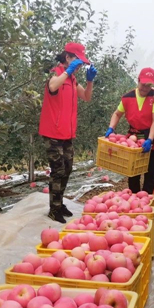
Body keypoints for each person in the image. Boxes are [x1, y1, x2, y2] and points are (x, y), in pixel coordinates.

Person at [39, 42, 98, 223]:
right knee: (58, 170)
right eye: (78, 61)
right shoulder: (56, 74)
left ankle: (59, 203)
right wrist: (68, 71)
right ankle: (54, 208)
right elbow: (52, 87)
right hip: (53, 132)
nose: (80, 66)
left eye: (82, 63)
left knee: (67, 169)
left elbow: (86, 97)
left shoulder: (72, 80)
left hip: (67, 133)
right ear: (68, 58)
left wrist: (89, 81)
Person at [104, 67, 154, 194]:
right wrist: (111, 128)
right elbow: (117, 114)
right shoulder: (128, 97)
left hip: (152, 138)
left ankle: (146, 200)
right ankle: (132, 197)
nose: (145, 88)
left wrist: (150, 139)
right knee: (132, 172)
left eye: (148, 85)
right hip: (134, 138)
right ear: (138, 80)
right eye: (143, 84)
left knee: (150, 173)